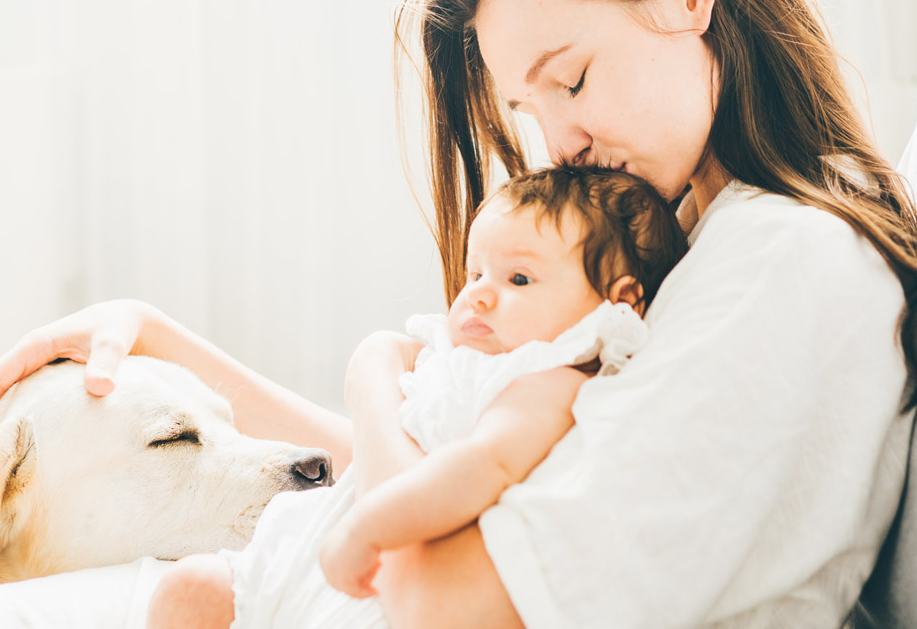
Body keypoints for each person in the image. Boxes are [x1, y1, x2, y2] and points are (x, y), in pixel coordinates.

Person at [0, 0, 917, 628]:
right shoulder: (696, 228)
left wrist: (368, 367)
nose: (561, 143)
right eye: (531, 108)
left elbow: (438, 594)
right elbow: (443, 472)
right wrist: (153, 333)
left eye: (570, 78)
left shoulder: (788, 266)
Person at [145, 166, 687, 628]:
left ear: (618, 302)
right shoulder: (454, 356)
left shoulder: (548, 381)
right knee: (187, 589)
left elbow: (486, 463)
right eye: (475, 272)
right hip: (300, 557)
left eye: (519, 278)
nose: (477, 293)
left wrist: (369, 523)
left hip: (373, 579)